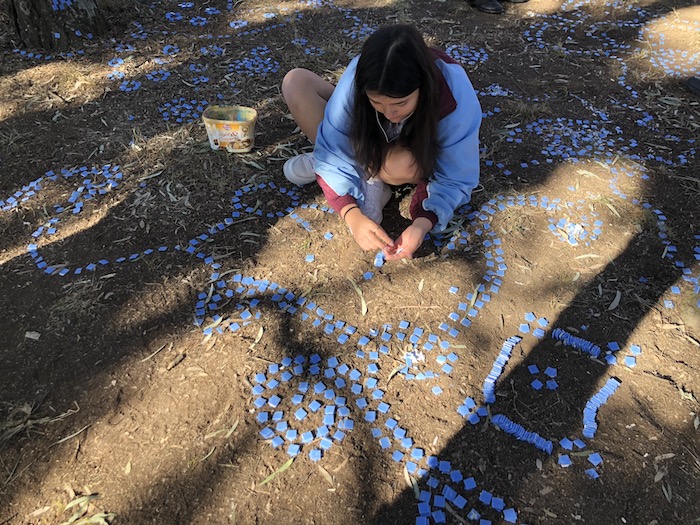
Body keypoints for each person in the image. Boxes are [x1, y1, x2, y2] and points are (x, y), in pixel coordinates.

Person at [281, 24, 481, 261]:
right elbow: (337, 127)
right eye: (377, 102)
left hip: (404, 152)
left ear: (422, 87)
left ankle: (368, 175)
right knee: (297, 82)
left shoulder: (454, 95)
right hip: (371, 142)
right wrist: (351, 214)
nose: (390, 114)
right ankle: (346, 166)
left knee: (401, 164)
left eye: (400, 104)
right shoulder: (359, 75)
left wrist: (422, 224)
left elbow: (455, 175)